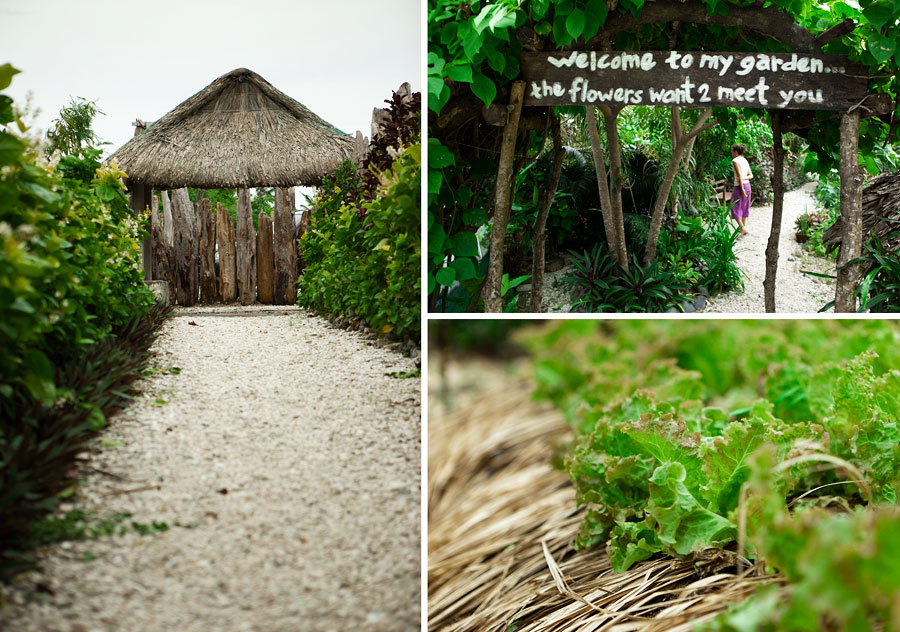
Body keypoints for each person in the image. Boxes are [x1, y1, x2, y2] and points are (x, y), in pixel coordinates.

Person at [729, 144, 753, 235]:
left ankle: (742, 228)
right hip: (748, 185)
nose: (732, 154)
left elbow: (738, 176)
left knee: (734, 206)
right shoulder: (745, 160)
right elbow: (751, 175)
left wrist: (742, 188)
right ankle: (743, 227)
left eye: (732, 152)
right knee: (744, 206)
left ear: (735, 152)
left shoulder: (735, 160)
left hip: (740, 186)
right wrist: (743, 178)